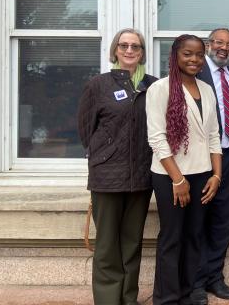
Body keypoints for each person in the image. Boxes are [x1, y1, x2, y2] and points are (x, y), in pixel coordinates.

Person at [77, 28, 158, 305]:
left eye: (135, 46)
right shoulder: (99, 85)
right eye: (124, 45)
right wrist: (107, 152)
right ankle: (109, 300)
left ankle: (128, 298)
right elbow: (86, 130)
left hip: (141, 176)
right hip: (107, 176)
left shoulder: (154, 85)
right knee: (108, 245)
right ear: (115, 50)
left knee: (132, 243)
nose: (129, 50)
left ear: (142, 52)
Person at [146, 34, 223, 305]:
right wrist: (178, 180)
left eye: (199, 54)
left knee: (193, 236)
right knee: (172, 237)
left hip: (202, 173)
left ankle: (186, 294)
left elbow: (214, 135)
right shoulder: (161, 88)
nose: (194, 59)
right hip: (170, 175)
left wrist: (216, 175)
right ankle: (166, 298)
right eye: (187, 54)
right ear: (175, 55)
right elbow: (156, 138)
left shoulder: (207, 89)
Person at [193, 28, 229, 304]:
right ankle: (196, 282)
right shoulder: (194, 75)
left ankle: (215, 277)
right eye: (218, 43)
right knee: (200, 221)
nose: (224, 48)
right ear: (208, 45)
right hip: (202, 162)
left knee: (224, 222)